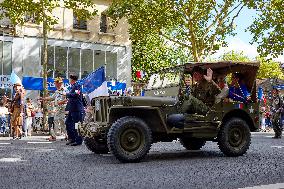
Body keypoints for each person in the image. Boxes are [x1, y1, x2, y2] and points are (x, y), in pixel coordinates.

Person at [65, 74, 85, 146]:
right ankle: (72, 138)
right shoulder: (73, 86)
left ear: (72, 79)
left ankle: (78, 140)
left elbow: (76, 94)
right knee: (68, 123)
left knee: (77, 125)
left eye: (69, 79)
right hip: (72, 109)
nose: (69, 80)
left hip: (77, 109)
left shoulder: (77, 86)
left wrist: (67, 94)